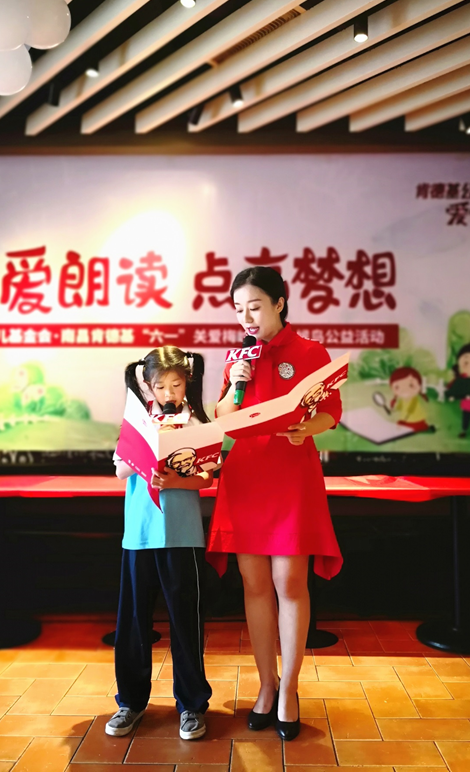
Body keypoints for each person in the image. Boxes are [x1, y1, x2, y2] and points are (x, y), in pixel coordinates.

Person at [206, 266, 343, 741]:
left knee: (290, 580)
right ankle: (266, 684)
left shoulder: (310, 352)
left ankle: (290, 688)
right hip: (245, 477)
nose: (246, 317)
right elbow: (223, 416)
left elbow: (331, 411)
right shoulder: (237, 356)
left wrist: (309, 427)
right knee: (255, 583)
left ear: (280, 303)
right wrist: (235, 383)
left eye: (255, 307)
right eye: (238, 309)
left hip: (291, 475)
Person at [106, 347, 213, 741]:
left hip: (183, 535)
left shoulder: (197, 421)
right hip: (139, 535)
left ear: (187, 383)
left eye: (176, 384)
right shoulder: (138, 421)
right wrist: (149, 445)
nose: (169, 393)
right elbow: (120, 470)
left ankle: (192, 705)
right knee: (133, 623)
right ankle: (130, 703)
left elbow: (207, 478)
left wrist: (176, 479)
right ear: (148, 388)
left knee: (186, 623)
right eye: (161, 386)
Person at [389, 366, 434, 432]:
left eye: (411, 385)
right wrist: (393, 410)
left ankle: (424, 428)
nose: (404, 390)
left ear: (419, 386)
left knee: (408, 426)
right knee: (400, 424)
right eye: (397, 387)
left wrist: (404, 421)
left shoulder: (414, 399)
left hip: (415, 419)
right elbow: (399, 407)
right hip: (406, 419)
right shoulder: (402, 399)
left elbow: (410, 411)